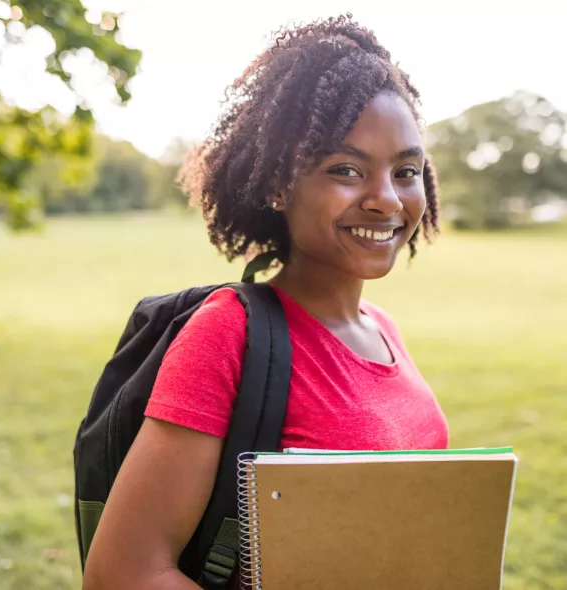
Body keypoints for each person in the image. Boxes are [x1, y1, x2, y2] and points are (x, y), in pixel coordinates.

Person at [82, 14, 449, 590]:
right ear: (280, 185)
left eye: (405, 171)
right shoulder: (228, 332)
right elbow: (123, 572)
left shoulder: (382, 329)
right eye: (345, 170)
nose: (386, 200)